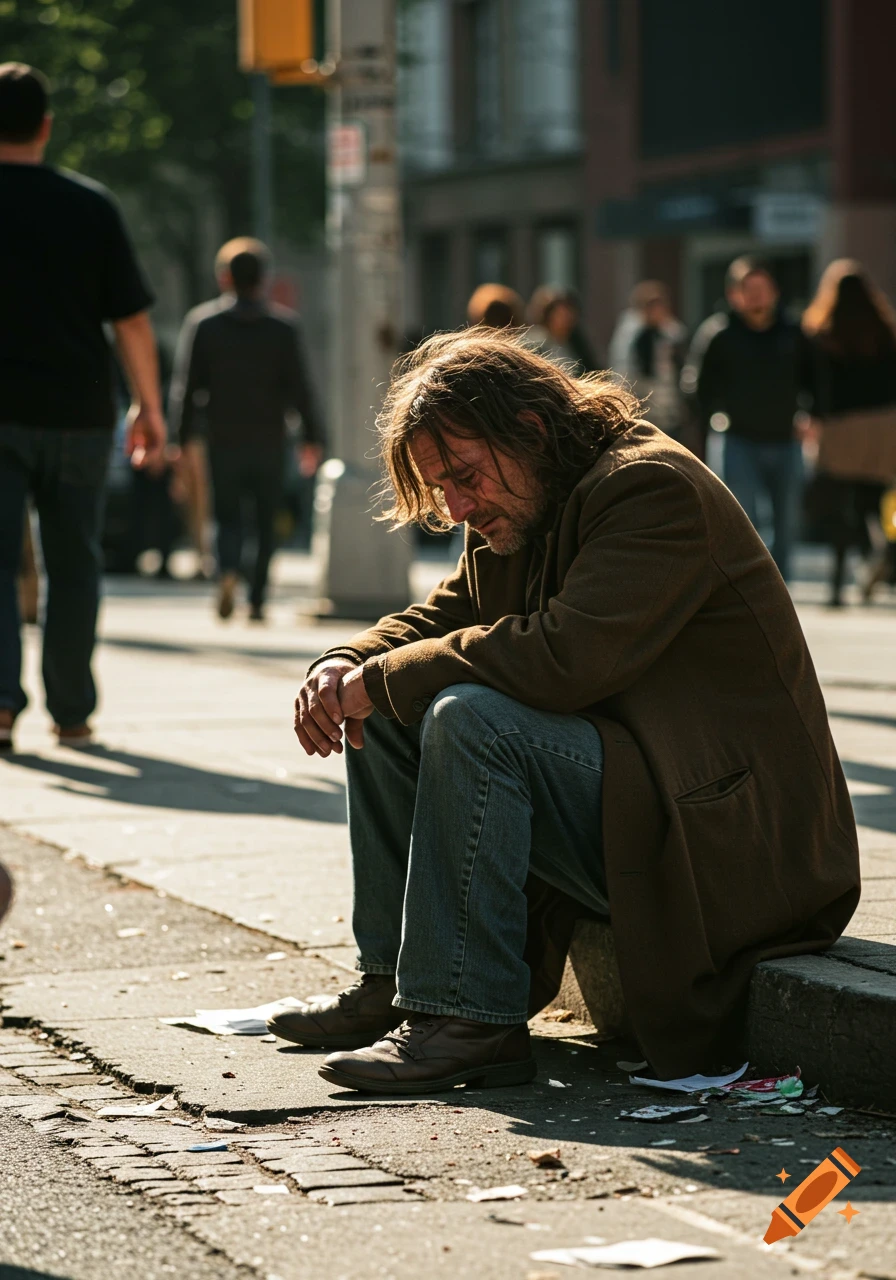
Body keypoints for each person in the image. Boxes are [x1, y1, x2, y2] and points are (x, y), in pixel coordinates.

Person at [269, 330, 859, 1093]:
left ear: (532, 429)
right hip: (645, 794)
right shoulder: (527, 499)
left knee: (466, 717)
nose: (455, 505)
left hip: (741, 846)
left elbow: (565, 657)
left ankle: (470, 1019)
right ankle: (394, 984)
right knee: (389, 703)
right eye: (441, 488)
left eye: (464, 476)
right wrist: (341, 666)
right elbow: (441, 617)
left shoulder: (653, 489)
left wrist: (382, 679)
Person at [0, 63, 165, 753]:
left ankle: (1, 708)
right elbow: (130, 320)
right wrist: (149, 408)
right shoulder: (91, 206)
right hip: (80, 413)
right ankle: (72, 710)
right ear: (46, 126)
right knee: (76, 563)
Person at [169, 238, 325, 623]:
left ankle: (227, 572)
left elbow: (187, 387)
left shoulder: (204, 325)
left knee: (227, 516)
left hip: (223, 438)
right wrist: (313, 437)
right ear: (264, 279)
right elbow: (301, 388)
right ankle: (256, 599)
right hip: (270, 438)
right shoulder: (282, 328)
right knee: (265, 519)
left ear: (225, 278)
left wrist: (180, 438)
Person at [684, 257, 802, 580]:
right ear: (734, 294)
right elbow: (696, 386)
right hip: (737, 438)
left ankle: (782, 586)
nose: (756, 297)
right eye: (748, 289)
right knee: (741, 517)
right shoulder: (718, 334)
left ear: (775, 292)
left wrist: (814, 416)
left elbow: (817, 377)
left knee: (787, 521)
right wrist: (708, 423)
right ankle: (750, 583)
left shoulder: (793, 332)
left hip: (786, 438)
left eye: (763, 289)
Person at [800, 259, 896, 607]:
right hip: (883, 425)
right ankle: (885, 552)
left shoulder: (823, 333)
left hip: (841, 426)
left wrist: (811, 418)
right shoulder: (885, 330)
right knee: (875, 501)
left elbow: (814, 384)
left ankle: (839, 586)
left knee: (841, 506)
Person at [617, 282, 689, 445]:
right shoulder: (633, 338)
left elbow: (680, 370)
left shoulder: (672, 335)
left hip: (670, 412)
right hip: (644, 411)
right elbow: (626, 374)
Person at [526, 286, 599, 376]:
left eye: (569, 313)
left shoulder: (577, 343)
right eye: (560, 314)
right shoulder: (535, 344)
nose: (566, 319)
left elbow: (592, 371)